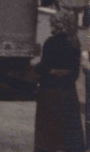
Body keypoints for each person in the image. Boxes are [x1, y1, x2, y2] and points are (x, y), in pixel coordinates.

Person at [34, 10, 86, 152]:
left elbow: (44, 68)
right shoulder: (75, 44)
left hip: (50, 94)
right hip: (68, 95)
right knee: (67, 139)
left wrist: (43, 69)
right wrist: (60, 72)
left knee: (47, 140)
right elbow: (74, 74)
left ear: (58, 25)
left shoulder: (50, 43)